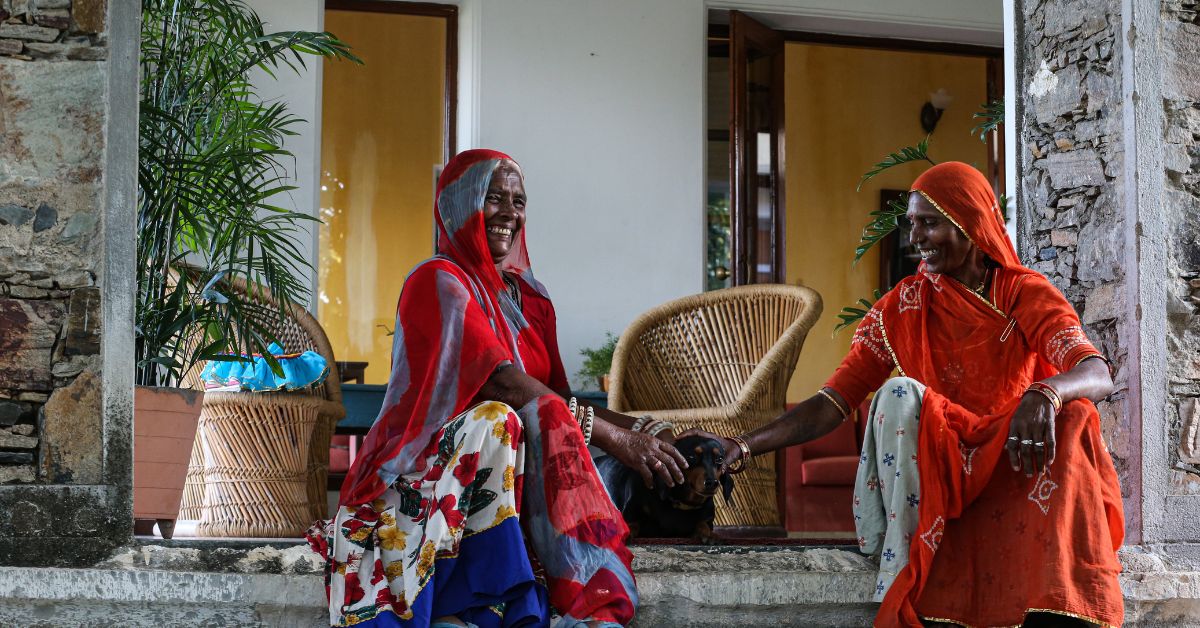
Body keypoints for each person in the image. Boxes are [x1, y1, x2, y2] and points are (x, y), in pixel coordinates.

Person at [689, 162, 1124, 627]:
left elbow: (1095, 371)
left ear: (971, 223)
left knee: (1075, 413)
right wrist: (744, 445)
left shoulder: (1021, 292)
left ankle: (1063, 599)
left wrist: (1046, 393)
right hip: (941, 465)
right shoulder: (901, 307)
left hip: (1011, 456)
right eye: (912, 223)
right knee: (897, 393)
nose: (915, 237)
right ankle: (902, 567)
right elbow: (832, 402)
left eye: (929, 222)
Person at [308, 149, 688, 628]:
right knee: (499, 420)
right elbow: (504, 384)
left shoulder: (531, 299)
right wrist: (617, 437)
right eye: (494, 198)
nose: (510, 212)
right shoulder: (439, 280)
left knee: (621, 448)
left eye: (519, 200)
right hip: (430, 469)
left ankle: (565, 579)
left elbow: (556, 398)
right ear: (461, 203)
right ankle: (479, 588)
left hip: (514, 465)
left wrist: (645, 432)